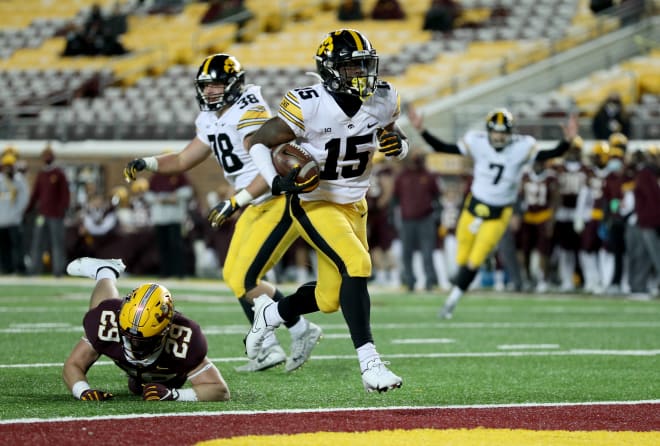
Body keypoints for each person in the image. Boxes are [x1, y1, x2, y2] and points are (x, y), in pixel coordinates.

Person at [124, 53, 320, 373]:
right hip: (253, 203)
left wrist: (235, 200)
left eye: (216, 85)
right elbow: (185, 159)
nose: (210, 91)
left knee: (246, 277)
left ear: (233, 84)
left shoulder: (249, 111)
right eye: (206, 85)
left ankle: (279, 340)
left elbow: (268, 165)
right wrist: (148, 162)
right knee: (235, 276)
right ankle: (290, 335)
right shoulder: (211, 117)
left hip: (273, 199)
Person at [242, 28, 407, 392]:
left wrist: (400, 146)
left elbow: (392, 136)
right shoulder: (309, 102)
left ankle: (272, 312)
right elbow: (256, 141)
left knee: (329, 299)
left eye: (366, 65)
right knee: (358, 265)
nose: (363, 74)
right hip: (316, 201)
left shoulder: (385, 97)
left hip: (355, 202)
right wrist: (273, 181)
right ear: (331, 70)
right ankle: (370, 365)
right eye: (353, 67)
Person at [408, 105, 578, 318]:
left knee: (476, 258)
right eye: (495, 132)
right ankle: (459, 285)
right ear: (489, 131)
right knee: (461, 256)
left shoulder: (522, 147)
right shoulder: (477, 142)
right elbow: (446, 147)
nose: (498, 136)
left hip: (499, 212)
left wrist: (567, 141)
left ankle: (452, 301)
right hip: (474, 206)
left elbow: (551, 153)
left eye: (502, 132)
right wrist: (422, 130)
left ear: (510, 133)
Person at [63, 257, 230, 401]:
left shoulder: (183, 338)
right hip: (121, 331)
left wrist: (175, 395)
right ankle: (106, 271)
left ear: (165, 331)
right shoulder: (108, 321)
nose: (134, 343)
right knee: (100, 310)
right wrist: (82, 390)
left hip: (165, 376)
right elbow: (74, 364)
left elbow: (219, 390)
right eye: (128, 336)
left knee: (140, 388)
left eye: (143, 341)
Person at [392, 150, 441, 291]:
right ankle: (409, 280)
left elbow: (437, 197)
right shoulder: (401, 177)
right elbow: (395, 199)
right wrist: (392, 216)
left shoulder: (429, 176)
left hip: (426, 218)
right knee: (406, 252)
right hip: (407, 219)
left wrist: (437, 214)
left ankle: (430, 280)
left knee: (427, 251)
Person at [25, 145, 71, 277]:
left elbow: (65, 194)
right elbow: (35, 194)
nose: (47, 158)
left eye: (48, 156)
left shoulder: (59, 173)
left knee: (57, 244)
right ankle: (34, 270)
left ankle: (58, 270)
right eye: (45, 156)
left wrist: (63, 209)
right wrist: (28, 209)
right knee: (37, 243)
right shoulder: (41, 174)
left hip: (56, 215)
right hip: (42, 214)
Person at [0, 152, 29, 274]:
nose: (8, 168)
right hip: (1, 220)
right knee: (3, 247)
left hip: (15, 220)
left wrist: (17, 213)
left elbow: (24, 198)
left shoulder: (19, 180)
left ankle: (20, 268)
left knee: (17, 246)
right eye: (6, 165)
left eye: (10, 165)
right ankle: (6, 268)